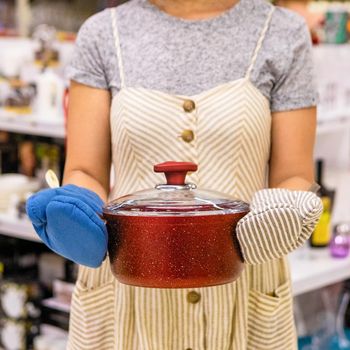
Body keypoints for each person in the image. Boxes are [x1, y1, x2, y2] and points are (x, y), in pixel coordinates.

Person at [26, 0, 323, 348]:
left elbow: (294, 176)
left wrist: (278, 219)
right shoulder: (103, 33)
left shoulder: (283, 32)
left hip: (243, 287)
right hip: (126, 291)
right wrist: (78, 214)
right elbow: (85, 170)